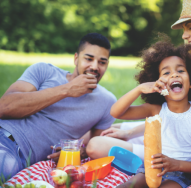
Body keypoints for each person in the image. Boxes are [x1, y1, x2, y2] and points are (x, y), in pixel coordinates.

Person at [88, 0, 191, 171]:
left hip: (186, 151)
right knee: (103, 130)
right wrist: (129, 133)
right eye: (184, 30)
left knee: (95, 144)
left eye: (190, 27)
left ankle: (145, 162)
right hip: (167, 131)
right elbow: (172, 116)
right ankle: (70, 147)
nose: (184, 36)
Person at [0, 33, 117, 179]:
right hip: (4, 137)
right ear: (76, 58)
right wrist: (67, 90)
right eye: (88, 58)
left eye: (102, 62)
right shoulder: (44, 71)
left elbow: (95, 145)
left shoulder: (107, 103)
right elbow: (4, 108)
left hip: (20, 159)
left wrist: (83, 151)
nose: (94, 67)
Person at [111, 40, 191, 188]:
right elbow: (116, 112)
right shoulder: (155, 110)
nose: (174, 75)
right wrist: (139, 89)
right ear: (157, 82)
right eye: (166, 72)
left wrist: (176, 164)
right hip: (151, 169)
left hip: (183, 174)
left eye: (180, 71)